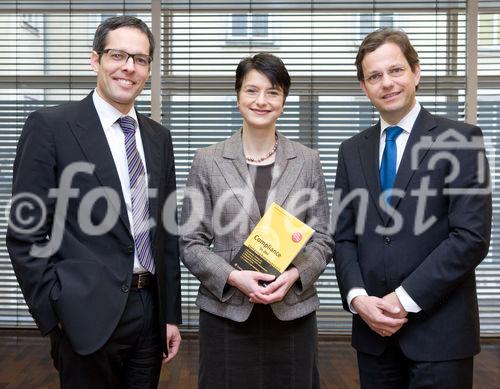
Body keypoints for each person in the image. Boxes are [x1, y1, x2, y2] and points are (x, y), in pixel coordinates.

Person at [6, 15, 181, 389]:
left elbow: (167, 233)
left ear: (149, 69)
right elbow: (26, 233)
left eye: (141, 59)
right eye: (118, 55)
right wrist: (56, 311)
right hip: (82, 313)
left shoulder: (158, 137)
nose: (129, 67)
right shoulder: (51, 127)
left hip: (149, 312)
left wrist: (170, 315)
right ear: (95, 60)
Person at [332, 27, 492, 388]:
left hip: (441, 336)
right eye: (374, 76)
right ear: (364, 87)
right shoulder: (351, 150)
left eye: (396, 70)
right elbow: (343, 237)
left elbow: (470, 237)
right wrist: (358, 299)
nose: (386, 83)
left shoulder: (462, 140)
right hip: (374, 337)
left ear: (416, 72)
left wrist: (403, 300)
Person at [180, 52, 333, 389]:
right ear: (237, 97)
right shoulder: (207, 160)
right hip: (226, 312)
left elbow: (323, 237)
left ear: (283, 100)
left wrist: (294, 276)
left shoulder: (308, 161)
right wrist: (234, 277)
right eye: (251, 91)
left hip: (292, 310)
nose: (261, 100)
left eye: (272, 92)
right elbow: (190, 242)